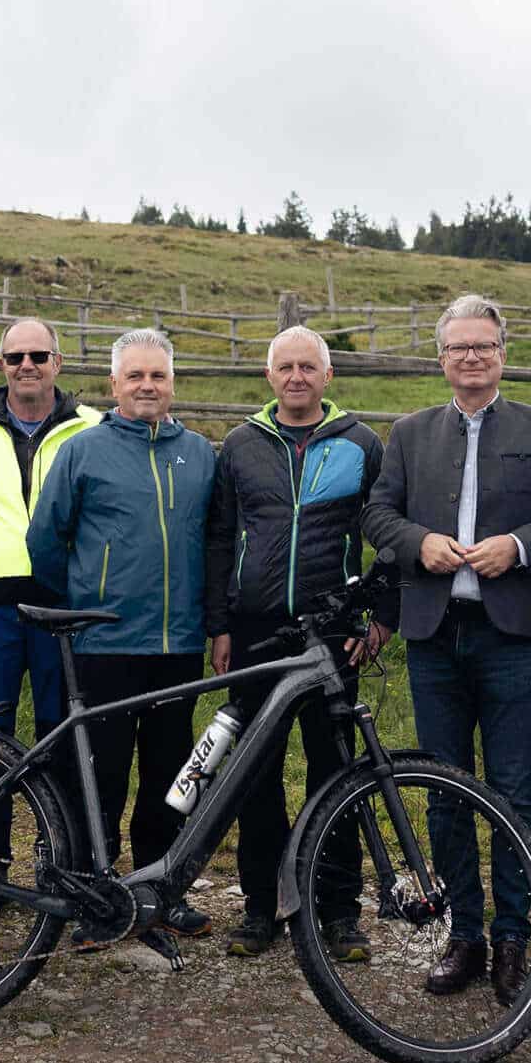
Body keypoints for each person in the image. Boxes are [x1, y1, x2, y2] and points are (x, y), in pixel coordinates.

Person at [360, 294, 531, 1006]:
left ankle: (513, 936)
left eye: (483, 346)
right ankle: (464, 934)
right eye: (458, 347)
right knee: (445, 791)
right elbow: (378, 514)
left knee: (515, 791)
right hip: (434, 636)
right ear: (441, 358)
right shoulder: (410, 433)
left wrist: (518, 546)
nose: (471, 357)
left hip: (510, 637)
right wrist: (418, 543)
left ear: (501, 354)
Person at [203, 325, 396, 959]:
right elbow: (219, 537)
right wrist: (219, 624)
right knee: (254, 774)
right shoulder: (240, 445)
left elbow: (388, 533)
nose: (296, 377)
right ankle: (261, 906)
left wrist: (382, 615)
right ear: (269, 376)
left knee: (335, 772)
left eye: (308, 367)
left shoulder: (362, 443)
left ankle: (337, 911)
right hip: (256, 631)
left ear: (327, 375)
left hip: (331, 632)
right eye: (285, 366)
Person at [25, 327, 218, 939]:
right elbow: (44, 541)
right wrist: (87, 599)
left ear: (173, 382)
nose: (147, 386)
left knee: (170, 777)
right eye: (135, 375)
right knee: (99, 776)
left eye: (157, 375)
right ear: (114, 383)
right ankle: (94, 897)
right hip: (104, 643)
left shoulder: (201, 454)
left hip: (177, 645)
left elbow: (214, 542)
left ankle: (161, 892)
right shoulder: (82, 451)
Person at [0, 318, 102, 749]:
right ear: (1, 364)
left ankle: (57, 799)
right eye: (15, 357)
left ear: (58, 362)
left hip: (65, 605)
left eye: (38, 356)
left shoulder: (92, 427)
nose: (26, 365)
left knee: (61, 731)